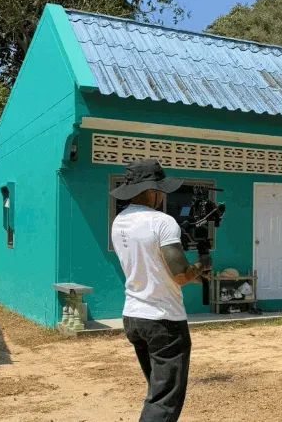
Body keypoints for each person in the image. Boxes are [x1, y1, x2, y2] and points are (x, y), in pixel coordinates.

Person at [109, 159, 211, 422]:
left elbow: (153, 267)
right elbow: (180, 275)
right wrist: (201, 266)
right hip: (164, 321)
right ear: (152, 191)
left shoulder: (119, 221)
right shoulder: (163, 222)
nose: (163, 196)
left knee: (157, 391)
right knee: (165, 400)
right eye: (161, 190)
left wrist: (197, 275)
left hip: (133, 316)